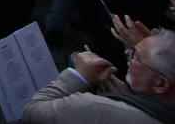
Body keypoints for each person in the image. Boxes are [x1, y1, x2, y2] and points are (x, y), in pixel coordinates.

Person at [24, 30, 175, 124]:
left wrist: (79, 76)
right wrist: (122, 93)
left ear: (160, 84)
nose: (128, 54)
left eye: (137, 56)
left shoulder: (94, 107)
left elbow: (32, 113)